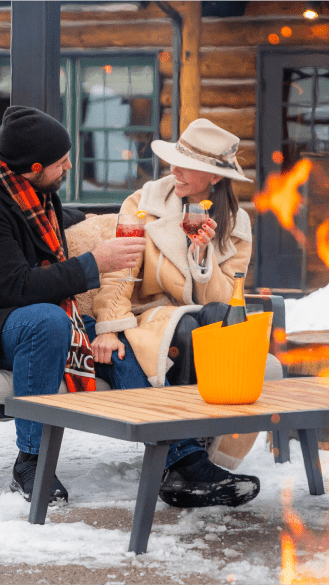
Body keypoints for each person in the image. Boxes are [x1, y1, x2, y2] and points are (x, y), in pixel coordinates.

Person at [88, 118, 261, 508]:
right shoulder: (142, 204)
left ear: (214, 178)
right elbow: (119, 271)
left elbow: (230, 297)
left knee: (215, 316)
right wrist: (110, 326)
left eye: (186, 164)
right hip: (147, 316)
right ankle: (186, 458)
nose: (174, 170)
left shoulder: (236, 225)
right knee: (186, 328)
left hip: (200, 314)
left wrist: (202, 254)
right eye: (175, 160)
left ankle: (190, 457)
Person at [0, 106, 146, 503]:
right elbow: (16, 286)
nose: (68, 164)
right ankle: (31, 460)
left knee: (112, 330)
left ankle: (178, 457)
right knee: (47, 320)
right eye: (59, 160)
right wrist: (94, 263)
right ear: (32, 166)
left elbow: (58, 218)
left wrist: (107, 219)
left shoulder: (38, 197)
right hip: (12, 324)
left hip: (47, 318)